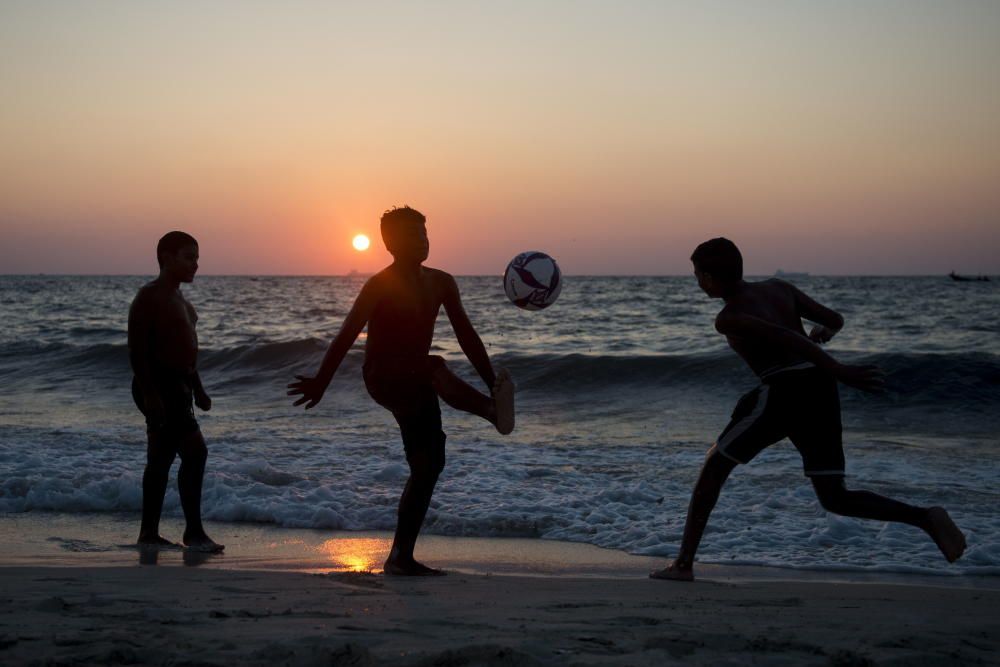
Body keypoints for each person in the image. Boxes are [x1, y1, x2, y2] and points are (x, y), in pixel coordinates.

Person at [651, 238, 966, 581]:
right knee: (835, 496)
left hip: (788, 392)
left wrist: (841, 370)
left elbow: (788, 340)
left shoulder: (729, 317)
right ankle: (925, 517)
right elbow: (834, 318)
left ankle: (683, 564)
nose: (697, 281)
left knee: (714, 466)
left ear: (710, 278)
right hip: (819, 391)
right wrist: (826, 335)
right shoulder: (779, 288)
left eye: (698, 274)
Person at [288, 206, 515, 576]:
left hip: (418, 382)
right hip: (383, 376)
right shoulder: (380, 284)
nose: (422, 240)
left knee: (428, 466)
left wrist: (491, 377)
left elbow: (467, 335)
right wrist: (321, 382)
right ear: (390, 242)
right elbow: (347, 334)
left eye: (424, 233)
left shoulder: (442, 281)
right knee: (434, 364)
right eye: (412, 234)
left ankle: (399, 558)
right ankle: (491, 411)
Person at [128, 231, 223, 552]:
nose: (195, 264)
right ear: (166, 258)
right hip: (158, 386)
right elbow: (137, 351)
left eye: (197, 258)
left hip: (180, 387)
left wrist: (199, 390)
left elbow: (188, 355)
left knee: (161, 458)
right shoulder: (150, 296)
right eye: (188, 257)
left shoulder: (183, 302)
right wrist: (150, 394)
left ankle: (149, 534)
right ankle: (193, 533)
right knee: (195, 453)